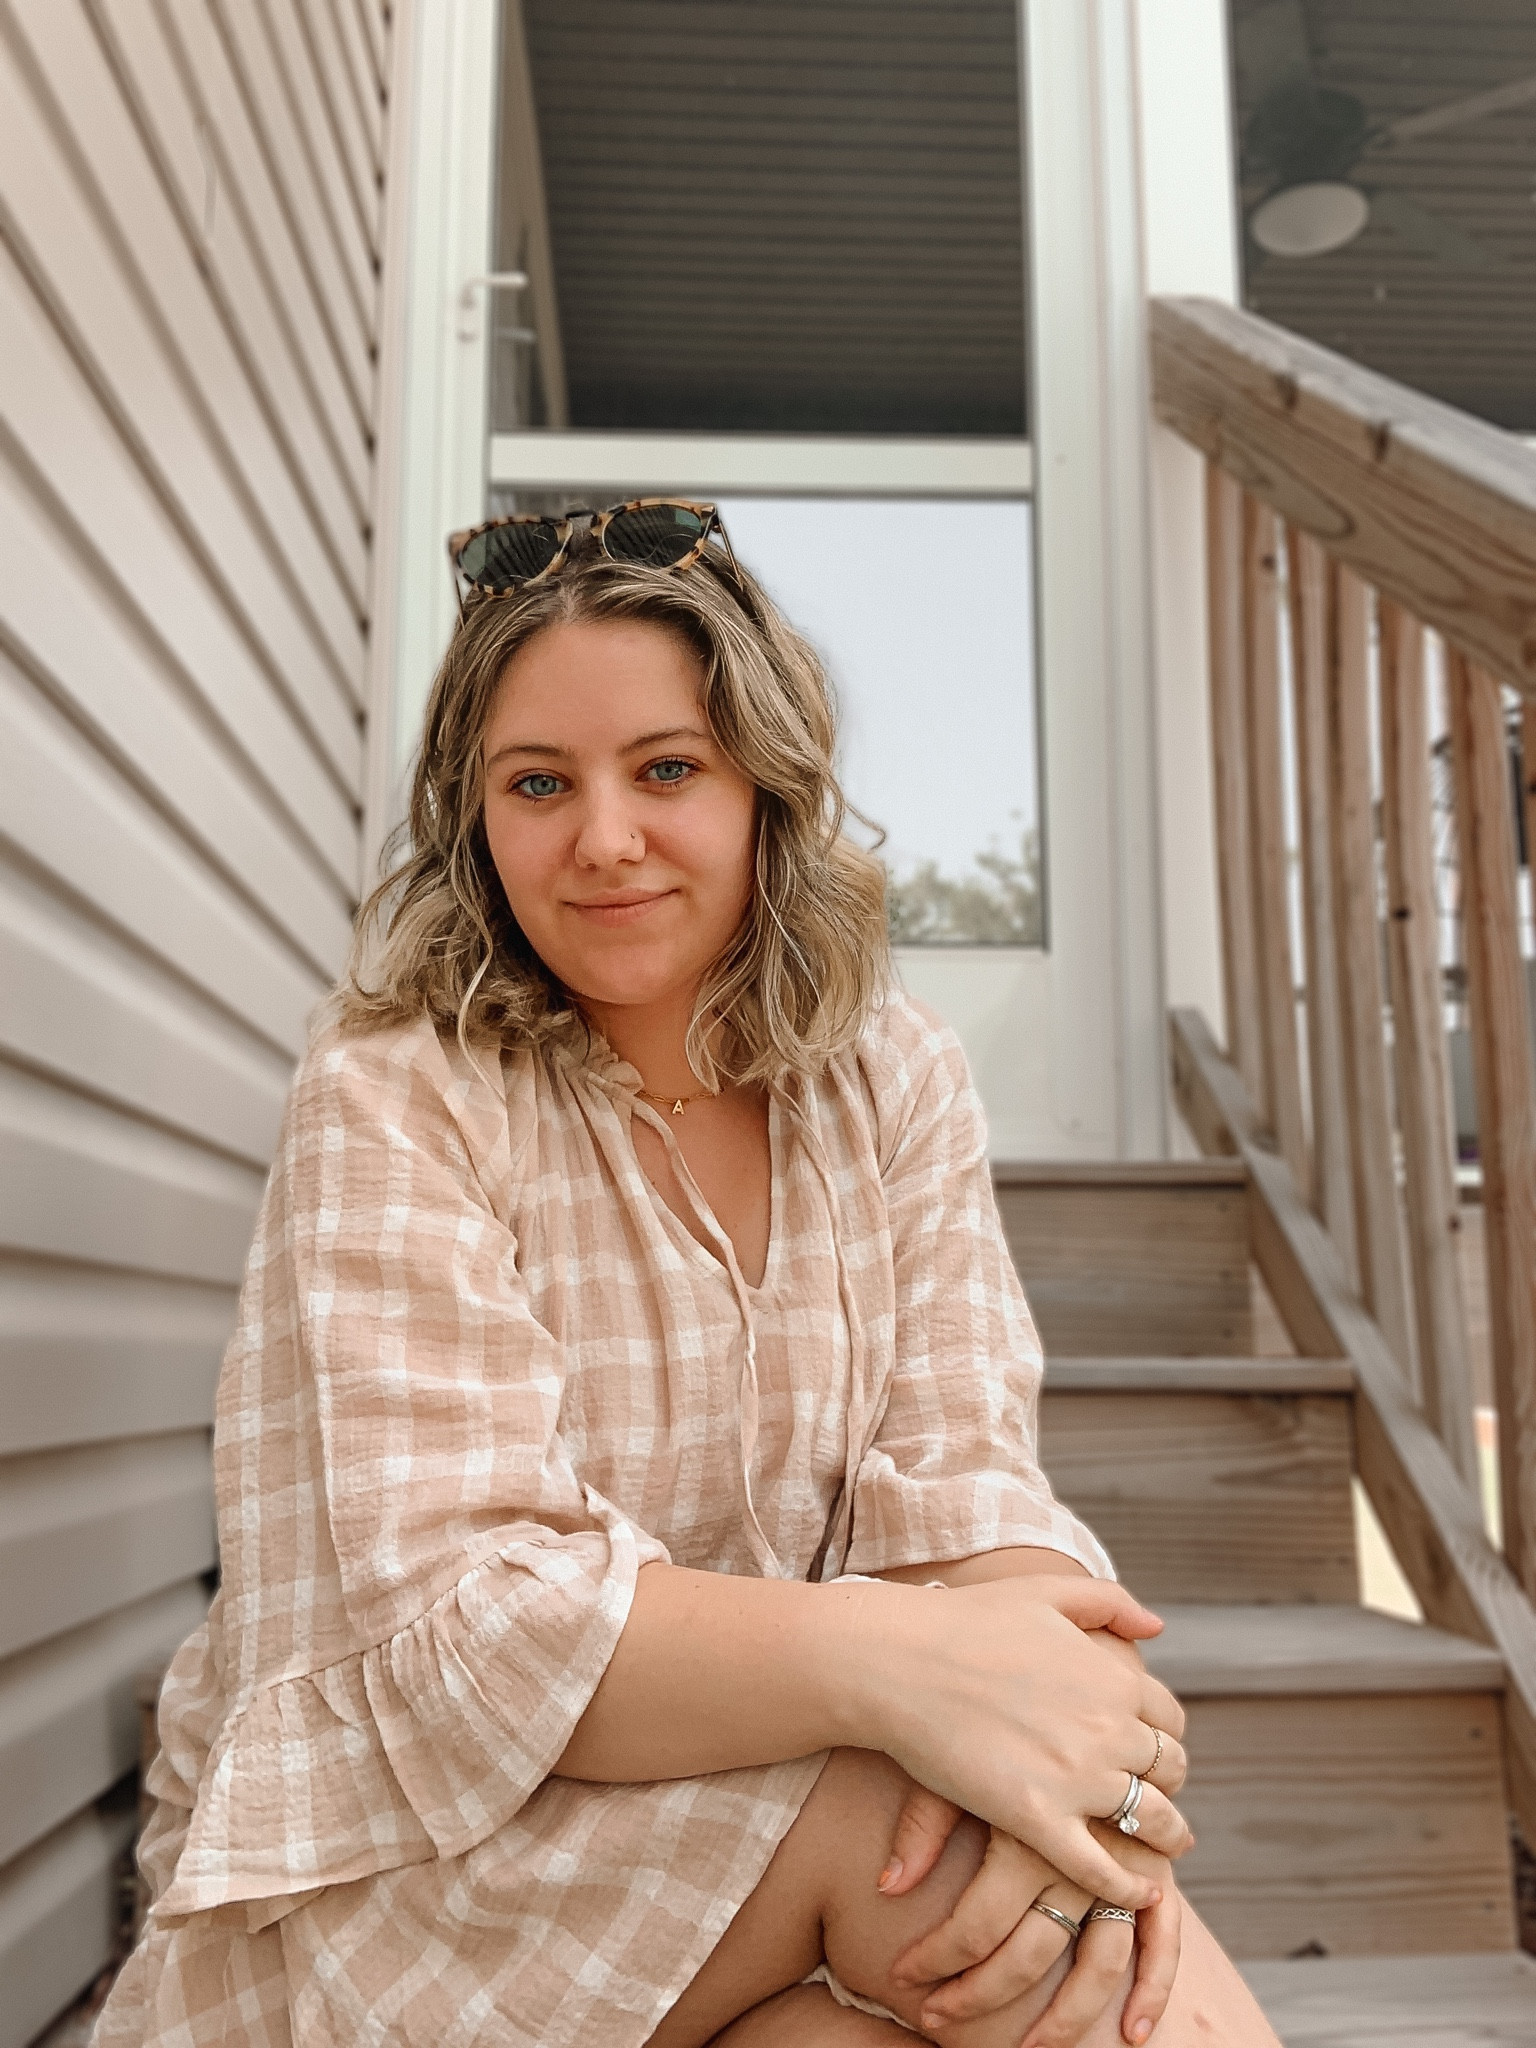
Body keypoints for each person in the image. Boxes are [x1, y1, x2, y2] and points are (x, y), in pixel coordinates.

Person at [95, 503, 1279, 2048]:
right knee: (967, 1878)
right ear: (474, 820)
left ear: (766, 792)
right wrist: (902, 1671)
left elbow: (964, 1489)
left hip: (743, 1821)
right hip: (410, 1861)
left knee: (1000, 1919)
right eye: (539, 784)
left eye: (666, 769)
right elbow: (472, 1637)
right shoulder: (397, 1088)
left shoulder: (891, 1077)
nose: (603, 838)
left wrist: (1080, 1753)